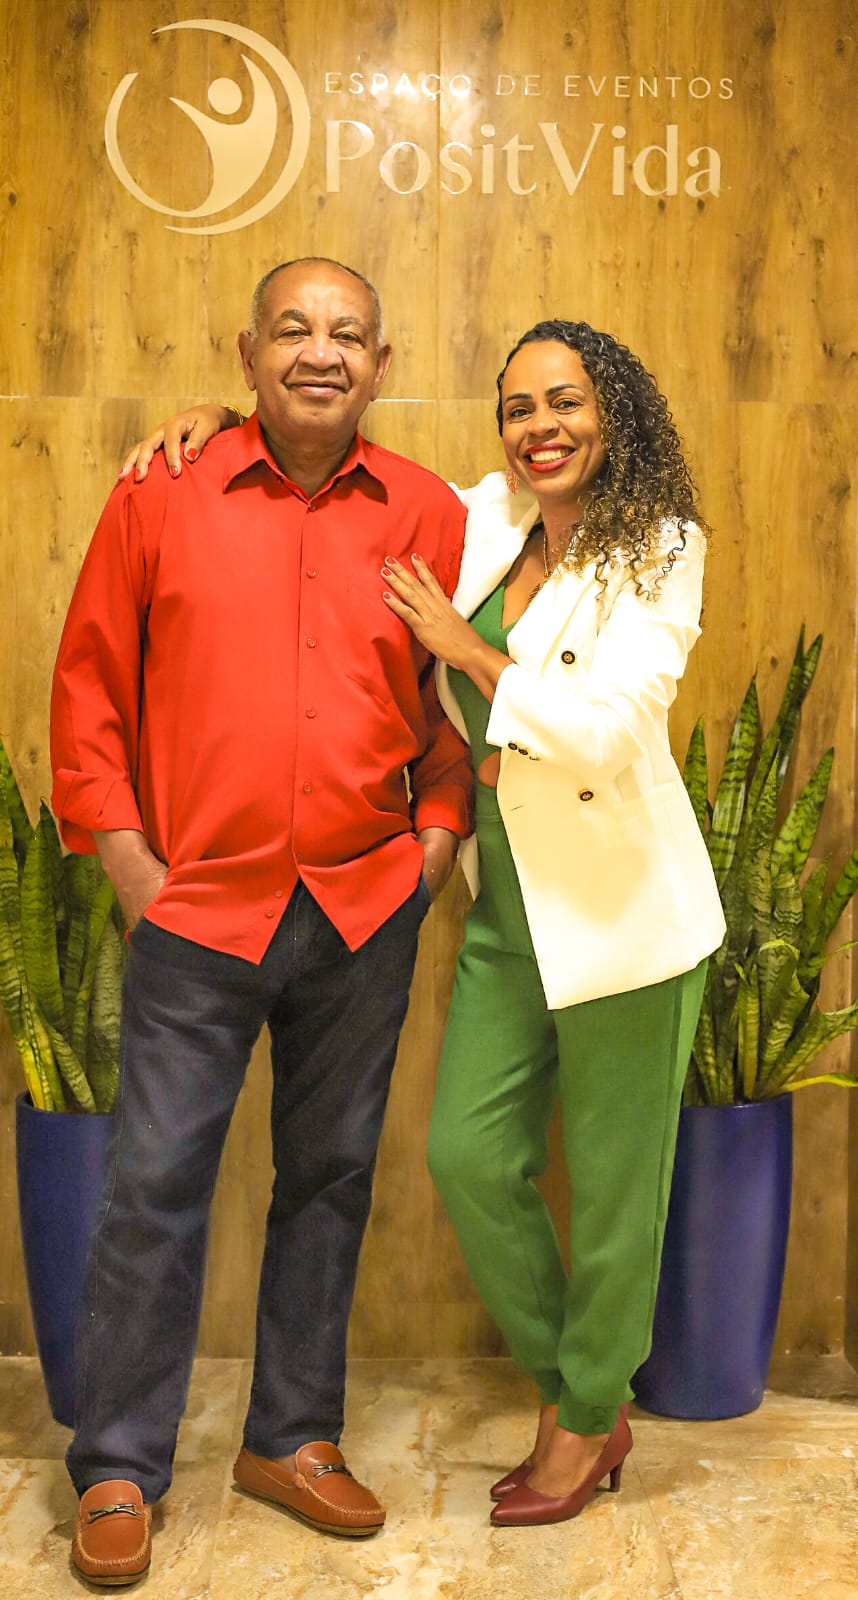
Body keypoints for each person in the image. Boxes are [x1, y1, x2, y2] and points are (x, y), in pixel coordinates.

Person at [123, 317, 726, 1531]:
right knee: (467, 1155)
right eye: (519, 407)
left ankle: (582, 1415)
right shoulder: (485, 518)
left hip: (623, 908)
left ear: (613, 412)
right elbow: (331, 465)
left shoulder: (661, 546)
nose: (541, 427)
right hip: (507, 904)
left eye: (566, 401)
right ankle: (578, 1389)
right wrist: (220, 421)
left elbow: (611, 729)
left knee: (618, 1191)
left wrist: (467, 652)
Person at [50, 256, 473, 1586]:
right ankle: (118, 1465)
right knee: (153, 1186)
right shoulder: (159, 490)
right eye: (293, 328)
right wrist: (130, 866)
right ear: (247, 354)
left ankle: (290, 1438)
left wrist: (433, 842)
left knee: (331, 1181)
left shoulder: (430, 512)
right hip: (198, 908)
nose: (320, 351)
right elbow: (88, 684)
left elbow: (455, 701)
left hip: (361, 905)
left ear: (382, 365)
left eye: (348, 333)